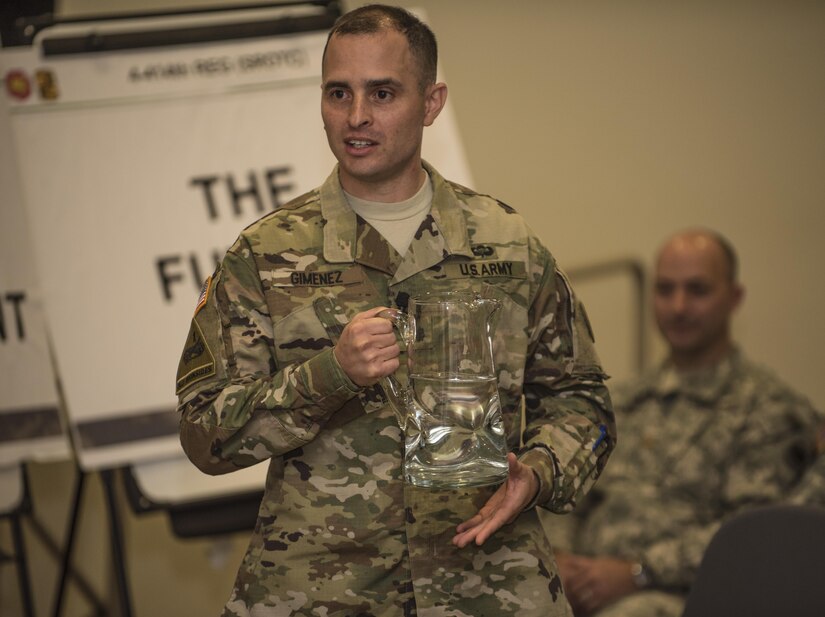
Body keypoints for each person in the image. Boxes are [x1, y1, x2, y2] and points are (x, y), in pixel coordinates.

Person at [174, 5, 615, 616]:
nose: (356, 117)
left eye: (382, 93)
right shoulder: (265, 256)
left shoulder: (507, 246)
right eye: (338, 93)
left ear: (431, 103)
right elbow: (203, 434)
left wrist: (538, 471)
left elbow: (583, 402)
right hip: (322, 591)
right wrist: (330, 374)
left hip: (487, 585)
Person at [554, 228, 823, 617]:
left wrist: (639, 572)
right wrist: (562, 561)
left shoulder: (767, 409)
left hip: (684, 597)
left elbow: (749, 538)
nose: (678, 306)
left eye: (697, 290)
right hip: (582, 588)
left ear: (734, 298)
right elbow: (571, 494)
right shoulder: (622, 400)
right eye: (665, 289)